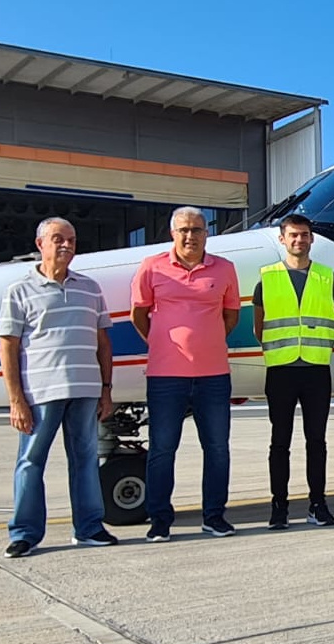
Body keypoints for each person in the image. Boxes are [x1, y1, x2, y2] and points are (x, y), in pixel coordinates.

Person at [0, 217, 117, 557]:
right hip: (41, 394)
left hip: (85, 390)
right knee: (31, 461)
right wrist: (16, 400)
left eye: (72, 240)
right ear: (40, 244)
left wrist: (106, 389)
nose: (66, 245)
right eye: (58, 239)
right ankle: (25, 534)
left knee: (85, 460)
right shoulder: (19, 291)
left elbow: (103, 344)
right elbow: (7, 347)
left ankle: (89, 528)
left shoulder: (90, 288)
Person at [132, 206, 240, 541]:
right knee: (163, 448)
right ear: (172, 233)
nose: (190, 236)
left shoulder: (224, 269)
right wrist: (162, 342)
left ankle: (214, 516)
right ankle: (160, 520)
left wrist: (206, 341)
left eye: (197, 230)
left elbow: (231, 315)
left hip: (214, 375)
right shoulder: (152, 267)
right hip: (166, 376)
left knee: (217, 448)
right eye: (184, 230)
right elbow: (139, 314)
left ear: (207, 233)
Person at [252, 213, 334, 530]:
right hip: (281, 370)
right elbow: (259, 326)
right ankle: (279, 506)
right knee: (280, 441)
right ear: (282, 239)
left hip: (316, 369)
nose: (299, 240)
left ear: (311, 238)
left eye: (304, 234)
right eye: (293, 235)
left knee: (317, 441)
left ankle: (318, 504)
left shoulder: (327, 277)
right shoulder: (267, 278)